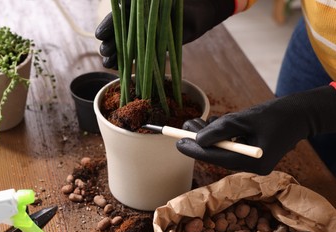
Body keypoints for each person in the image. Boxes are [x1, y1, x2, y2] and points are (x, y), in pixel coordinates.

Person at [95, 0, 336, 175]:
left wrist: (312, 112)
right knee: (303, 161)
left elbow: (303, 115)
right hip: (318, 40)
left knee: (325, 178)